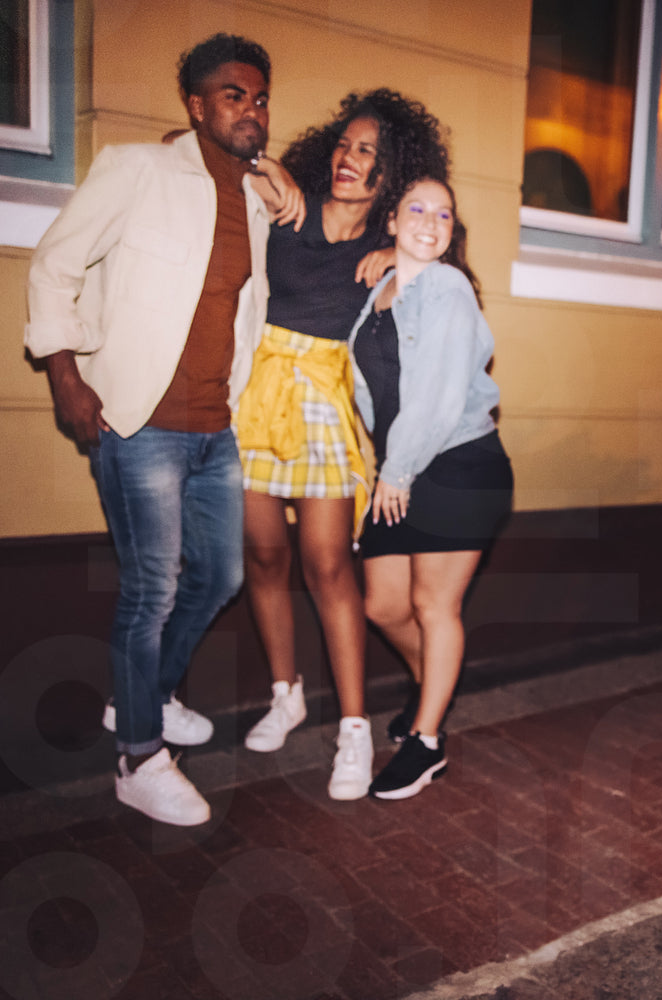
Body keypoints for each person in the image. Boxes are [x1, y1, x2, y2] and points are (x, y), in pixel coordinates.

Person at [25, 34, 297, 827]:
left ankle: (144, 696)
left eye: (260, 97)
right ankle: (138, 758)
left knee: (221, 576)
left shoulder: (256, 199)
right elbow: (53, 265)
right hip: (138, 421)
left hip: (216, 427)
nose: (251, 109)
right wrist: (66, 377)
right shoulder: (135, 170)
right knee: (152, 589)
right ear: (196, 104)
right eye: (233, 95)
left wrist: (272, 172)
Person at [232, 91, 450, 801]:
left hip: (323, 399)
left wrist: (400, 255)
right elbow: (213, 154)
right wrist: (266, 166)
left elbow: (443, 270)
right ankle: (285, 693)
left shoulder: (388, 245)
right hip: (258, 389)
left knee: (327, 564)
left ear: (393, 173)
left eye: (367, 152)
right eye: (345, 145)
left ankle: (353, 730)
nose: (348, 159)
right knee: (264, 554)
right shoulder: (288, 208)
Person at [346, 176, 512, 800]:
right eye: (416, 209)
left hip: (459, 462)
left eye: (443, 214)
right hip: (402, 464)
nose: (429, 221)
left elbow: (438, 394)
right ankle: (432, 690)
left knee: (433, 605)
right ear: (391, 220)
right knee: (383, 606)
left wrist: (395, 471)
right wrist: (386, 468)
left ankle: (426, 740)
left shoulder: (447, 287)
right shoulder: (381, 289)